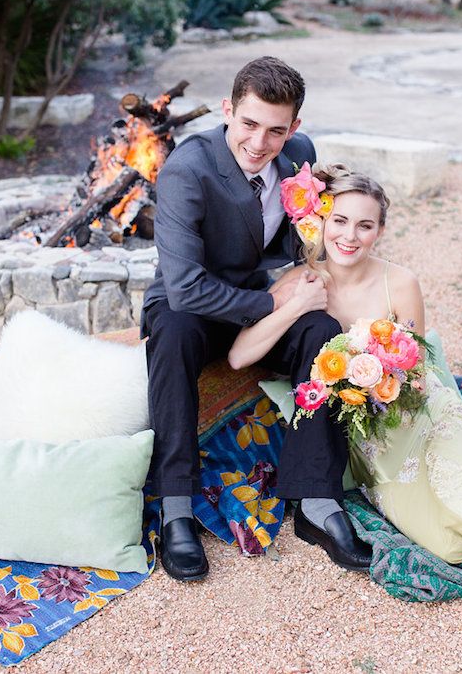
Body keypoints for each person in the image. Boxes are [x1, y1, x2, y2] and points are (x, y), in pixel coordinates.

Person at [229, 164, 462, 564]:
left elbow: (416, 367)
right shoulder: (301, 282)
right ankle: (322, 507)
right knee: (449, 535)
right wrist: (296, 306)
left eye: (364, 226)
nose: (350, 236)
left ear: (379, 231)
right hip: (368, 427)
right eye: (340, 221)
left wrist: (381, 373)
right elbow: (239, 355)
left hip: (414, 407)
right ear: (321, 221)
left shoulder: (400, 282)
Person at [142, 58, 372, 582]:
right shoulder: (186, 168)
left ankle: (315, 502)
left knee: (321, 332)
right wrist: (274, 302)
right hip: (193, 307)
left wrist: (309, 259)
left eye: (276, 129)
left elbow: (300, 233)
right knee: (172, 332)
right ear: (228, 110)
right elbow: (184, 286)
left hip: (258, 297)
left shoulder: (300, 155)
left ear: (293, 127)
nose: (259, 142)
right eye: (249, 124)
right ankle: (175, 505)